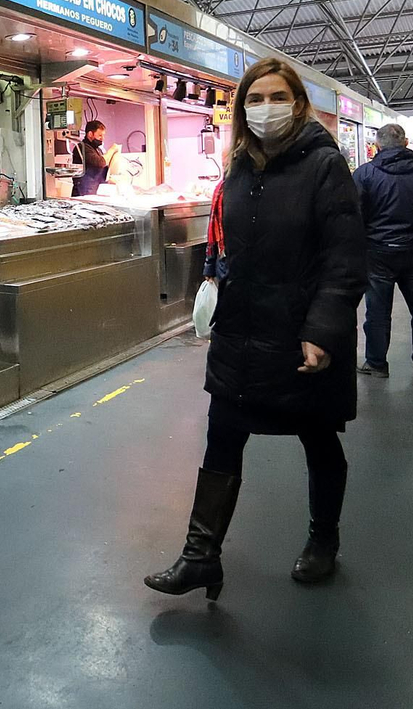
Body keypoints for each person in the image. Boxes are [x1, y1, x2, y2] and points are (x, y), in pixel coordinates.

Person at [145, 58, 365, 599]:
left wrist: (323, 330)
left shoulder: (325, 166)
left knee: (318, 437)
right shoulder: (239, 167)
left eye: (277, 97)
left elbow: (345, 259)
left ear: (299, 104)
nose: (266, 108)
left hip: (299, 335)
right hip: (241, 333)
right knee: (222, 434)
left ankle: (324, 539)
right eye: (255, 98)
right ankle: (200, 556)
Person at [354, 124, 413, 379]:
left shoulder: (365, 174)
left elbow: (353, 216)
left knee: (377, 311)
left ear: (377, 145)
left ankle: (376, 363)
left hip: (378, 253)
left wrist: (365, 243)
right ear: (406, 143)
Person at [70, 120, 109, 197]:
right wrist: (113, 149)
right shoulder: (82, 147)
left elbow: (102, 168)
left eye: (103, 135)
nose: (102, 138)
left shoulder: (97, 149)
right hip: (83, 190)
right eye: (100, 135)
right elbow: (100, 163)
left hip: (94, 188)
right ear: (90, 134)